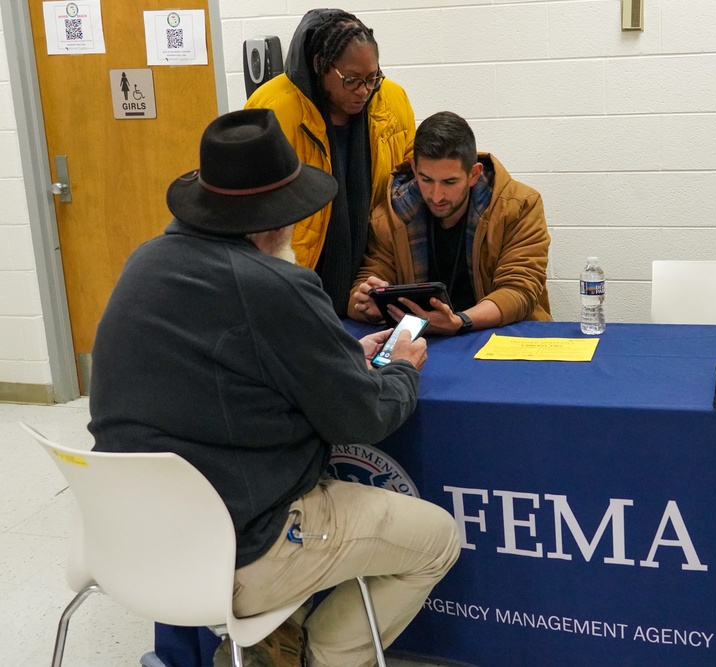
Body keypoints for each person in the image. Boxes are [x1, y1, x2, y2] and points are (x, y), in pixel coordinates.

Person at [88, 109, 460, 667]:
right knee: (438, 539)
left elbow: (221, 372)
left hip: (125, 540)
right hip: (240, 547)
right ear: (278, 222)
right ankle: (327, 655)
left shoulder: (145, 263)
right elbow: (362, 418)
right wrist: (402, 367)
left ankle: (275, 642)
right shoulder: (277, 284)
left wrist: (336, 358)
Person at [246, 8, 416, 316]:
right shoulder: (273, 109)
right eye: (351, 80)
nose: (364, 90)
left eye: (372, 77)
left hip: (370, 281)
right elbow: (254, 216)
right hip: (295, 286)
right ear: (319, 66)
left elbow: (406, 190)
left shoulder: (392, 100)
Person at [348, 111, 552, 335]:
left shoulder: (519, 206)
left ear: (474, 174)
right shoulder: (389, 215)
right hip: (425, 340)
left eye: (449, 182)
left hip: (504, 335)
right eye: (426, 180)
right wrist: (369, 303)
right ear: (414, 169)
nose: (436, 196)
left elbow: (519, 290)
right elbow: (368, 279)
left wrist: (459, 321)